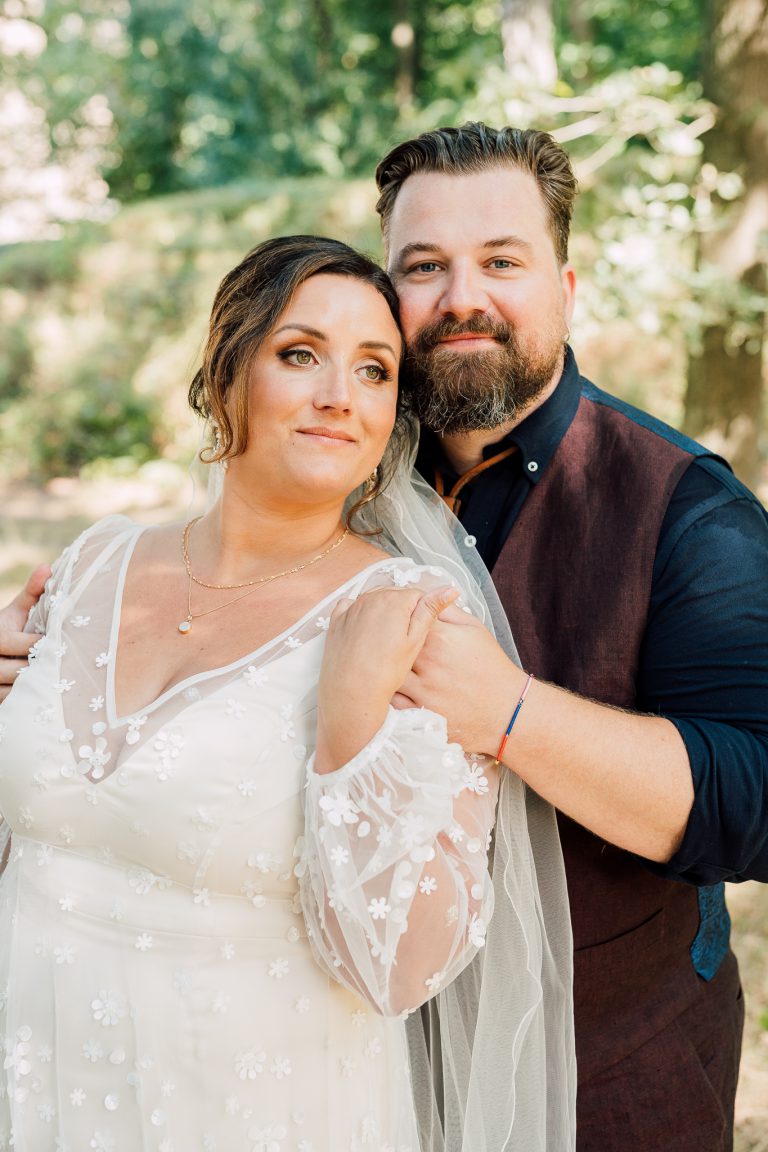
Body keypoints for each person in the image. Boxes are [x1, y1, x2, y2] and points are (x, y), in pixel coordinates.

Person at [0, 234, 575, 1151]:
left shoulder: (406, 624)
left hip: (253, 1114)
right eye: (300, 354)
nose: (339, 397)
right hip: (31, 1090)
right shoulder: (90, 565)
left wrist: (348, 737)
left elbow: (399, 972)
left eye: (376, 371)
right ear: (227, 369)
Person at [370, 123, 768, 1152]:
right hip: (368, 1076)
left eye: (502, 260)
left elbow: (755, 798)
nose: (463, 295)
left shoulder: (687, 508)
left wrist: (510, 713)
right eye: (425, 266)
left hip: (617, 1077)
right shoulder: (341, 479)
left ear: (566, 286)